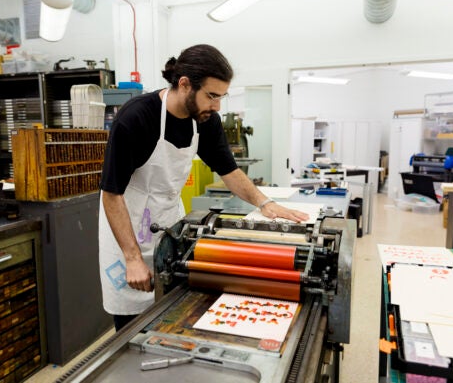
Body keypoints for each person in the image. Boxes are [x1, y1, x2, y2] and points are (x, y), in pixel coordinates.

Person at [98, 44, 309, 331]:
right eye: (211, 96)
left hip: (168, 220)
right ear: (184, 84)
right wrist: (132, 257)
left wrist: (264, 203)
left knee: (173, 308)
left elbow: (229, 171)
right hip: (128, 224)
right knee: (133, 321)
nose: (217, 106)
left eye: (221, 97)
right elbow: (112, 193)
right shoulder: (136, 118)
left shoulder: (206, 121)